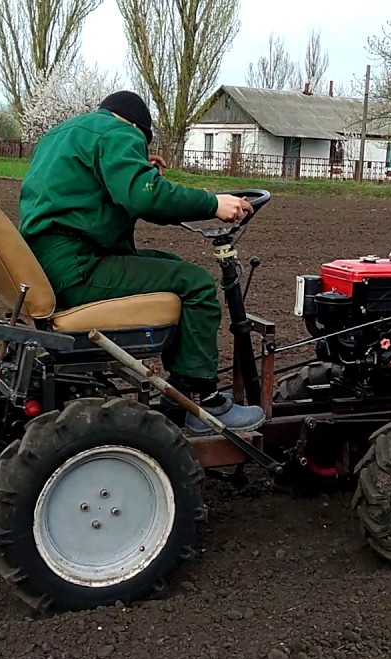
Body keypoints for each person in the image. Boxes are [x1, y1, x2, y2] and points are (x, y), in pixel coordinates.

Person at [18, 90, 265, 435]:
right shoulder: (120, 132)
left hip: (51, 263)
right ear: (138, 128)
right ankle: (201, 399)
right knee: (194, 283)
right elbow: (143, 196)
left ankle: (179, 392)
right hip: (80, 266)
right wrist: (214, 204)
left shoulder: (65, 133)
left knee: (169, 265)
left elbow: (92, 192)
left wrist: (142, 171)